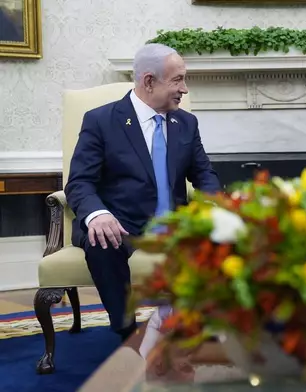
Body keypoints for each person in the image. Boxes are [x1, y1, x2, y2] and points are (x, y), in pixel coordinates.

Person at [65, 43, 222, 341]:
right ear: (149, 81)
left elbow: (204, 173)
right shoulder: (102, 121)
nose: (185, 89)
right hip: (121, 221)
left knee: (221, 236)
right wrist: (97, 215)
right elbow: (79, 182)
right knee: (101, 241)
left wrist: (218, 208)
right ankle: (127, 330)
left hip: (174, 223)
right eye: (177, 80)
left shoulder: (186, 123)